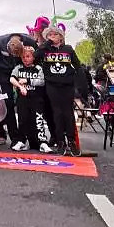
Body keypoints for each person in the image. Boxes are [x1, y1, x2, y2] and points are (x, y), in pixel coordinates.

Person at [35, 26, 82, 156]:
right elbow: (35, 57)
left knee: (68, 112)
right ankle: (60, 140)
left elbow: (77, 66)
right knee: (57, 113)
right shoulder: (45, 50)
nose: (52, 37)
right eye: (50, 35)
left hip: (67, 85)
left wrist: (79, 85)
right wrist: (46, 44)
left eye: (55, 34)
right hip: (52, 85)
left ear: (61, 36)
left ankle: (71, 140)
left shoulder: (68, 49)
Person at [0, 33, 36, 146]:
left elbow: (36, 60)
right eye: (11, 54)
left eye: (16, 55)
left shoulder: (30, 42)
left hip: (22, 72)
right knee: (8, 103)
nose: (13, 57)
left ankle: (26, 136)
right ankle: (14, 137)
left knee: (24, 104)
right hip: (3, 74)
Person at [10, 47, 52, 153]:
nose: (25, 59)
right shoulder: (18, 68)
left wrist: (27, 81)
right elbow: (12, 78)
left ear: (33, 57)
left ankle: (42, 142)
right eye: (23, 57)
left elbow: (42, 81)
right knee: (23, 120)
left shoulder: (38, 68)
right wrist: (20, 87)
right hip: (22, 99)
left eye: (28, 56)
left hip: (36, 98)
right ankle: (21, 141)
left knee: (38, 120)